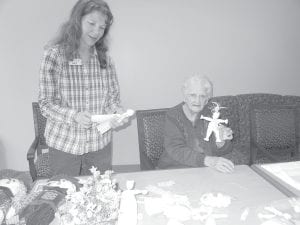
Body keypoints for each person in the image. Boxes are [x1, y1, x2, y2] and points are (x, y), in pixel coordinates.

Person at [38, 0, 128, 176]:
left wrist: (116, 112)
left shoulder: (106, 60)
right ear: (77, 20)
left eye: (102, 27)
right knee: (66, 195)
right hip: (64, 145)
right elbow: (46, 104)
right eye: (92, 23)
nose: (96, 32)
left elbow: (112, 99)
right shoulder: (54, 56)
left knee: (100, 195)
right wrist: (75, 116)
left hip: (99, 145)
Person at [157, 75, 235, 173]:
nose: (197, 101)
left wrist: (221, 142)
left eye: (202, 96)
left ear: (207, 100)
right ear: (185, 97)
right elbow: (176, 149)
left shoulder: (212, 114)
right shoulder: (173, 115)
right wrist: (208, 161)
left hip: (204, 170)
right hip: (174, 168)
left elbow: (225, 150)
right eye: (192, 95)